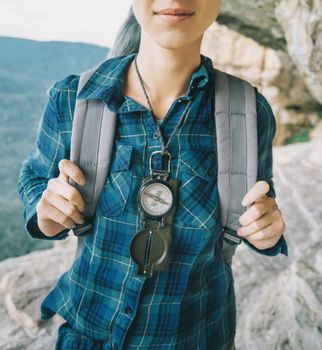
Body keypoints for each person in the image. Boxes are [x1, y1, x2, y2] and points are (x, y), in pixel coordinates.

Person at [17, 1, 288, 349]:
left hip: (197, 336)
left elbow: (259, 206)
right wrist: (45, 211)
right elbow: (36, 176)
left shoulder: (249, 113)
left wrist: (265, 231)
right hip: (88, 334)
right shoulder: (73, 99)